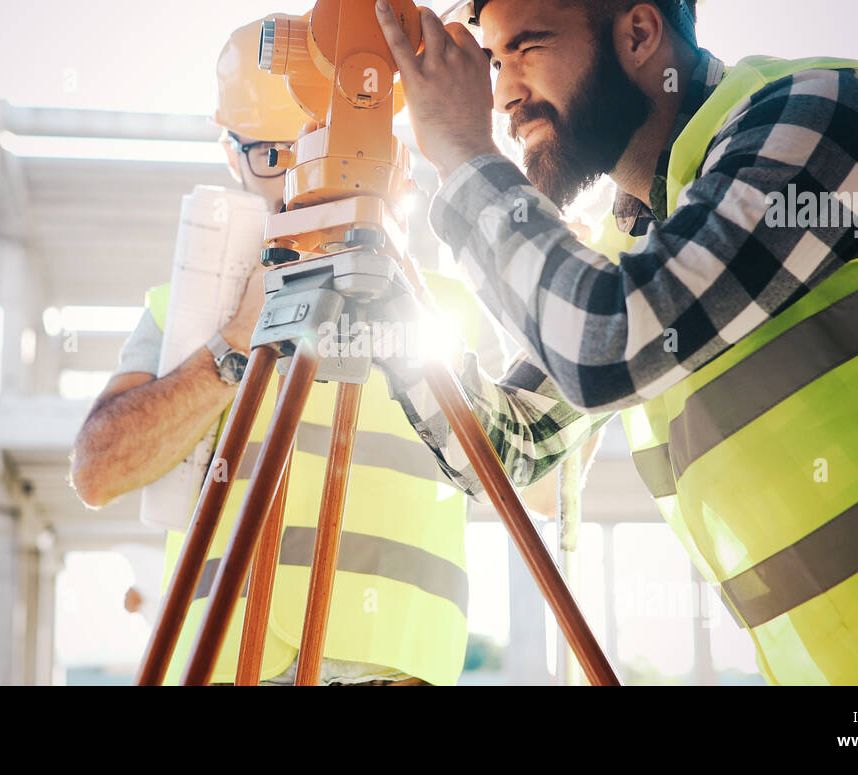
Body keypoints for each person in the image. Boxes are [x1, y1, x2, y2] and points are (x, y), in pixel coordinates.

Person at [372, 0, 858, 684]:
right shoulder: (639, 244)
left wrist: (464, 156)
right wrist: (375, 269)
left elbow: (610, 342)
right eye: (493, 61)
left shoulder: (824, 116)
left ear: (639, 32)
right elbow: (507, 448)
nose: (502, 94)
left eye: (525, 48)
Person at [70, 17, 523, 686]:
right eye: (270, 155)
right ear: (232, 154)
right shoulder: (188, 307)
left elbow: (535, 485)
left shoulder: (446, 307)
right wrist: (231, 345)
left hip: (396, 670)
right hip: (226, 664)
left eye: (318, 143)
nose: (295, 177)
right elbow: (96, 471)